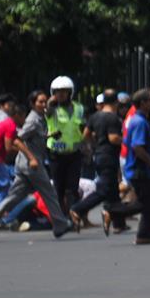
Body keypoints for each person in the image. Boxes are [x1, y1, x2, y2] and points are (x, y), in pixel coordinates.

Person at [0, 91, 74, 240]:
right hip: (31, 164)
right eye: (40, 102)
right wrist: (32, 158)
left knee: (15, 195)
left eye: (45, 101)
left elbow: (35, 136)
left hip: (25, 164)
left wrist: (50, 136)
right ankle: (60, 224)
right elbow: (17, 139)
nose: (44, 104)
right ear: (33, 104)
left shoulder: (39, 118)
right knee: (49, 192)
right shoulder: (32, 120)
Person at [111, 89, 150, 245]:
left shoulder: (138, 120)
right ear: (143, 103)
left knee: (149, 203)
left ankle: (144, 235)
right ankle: (112, 211)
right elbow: (137, 147)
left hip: (139, 168)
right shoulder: (139, 122)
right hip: (139, 169)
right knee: (147, 202)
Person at [69, 90, 124, 230]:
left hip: (99, 155)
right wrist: (127, 141)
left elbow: (86, 134)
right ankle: (78, 209)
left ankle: (119, 223)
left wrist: (96, 143)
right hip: (109, 156)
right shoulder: (113, 118)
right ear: (116, 102)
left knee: (113, 191)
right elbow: (113, 138)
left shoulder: (95, 117)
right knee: (103, 190)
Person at [46, 76, 86, 213]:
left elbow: (83, 127)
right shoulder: (51, 109)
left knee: (72, 188)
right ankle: (60, 217)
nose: (61, 94)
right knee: (59, 188)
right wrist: (50, 103)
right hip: (56, 154)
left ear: (70, 92)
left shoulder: (79, 108)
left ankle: (73, 214)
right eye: (57, 91)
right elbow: (46, 112)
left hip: (74, 153)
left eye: (64, 91)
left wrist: (86, 146)